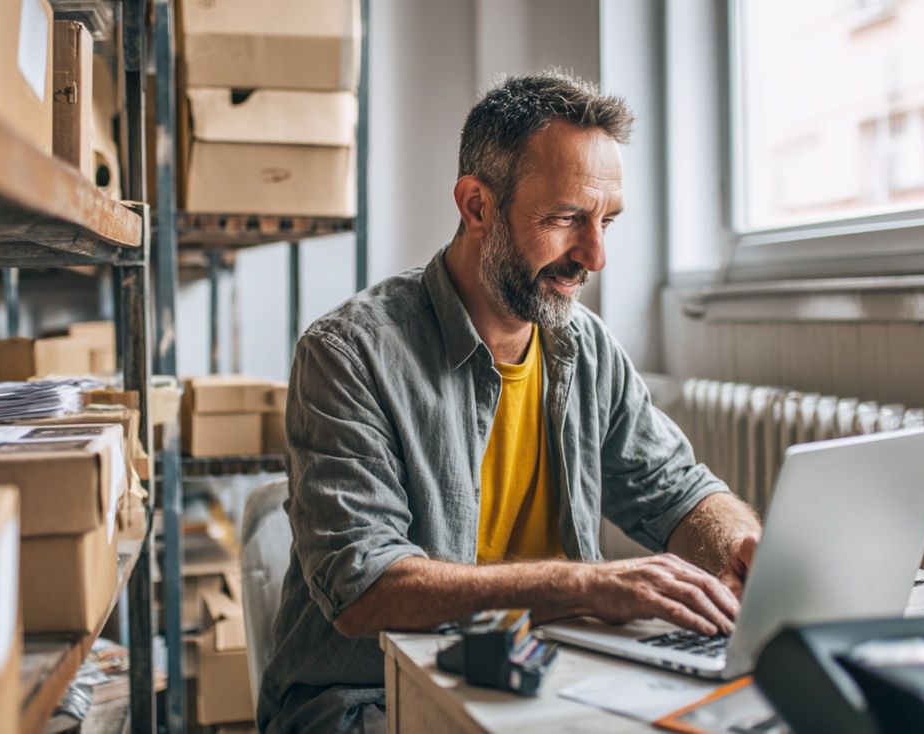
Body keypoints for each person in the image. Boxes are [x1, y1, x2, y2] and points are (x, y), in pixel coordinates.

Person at [257, 71, 762, 733]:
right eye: (565, 220)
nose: (596, 256)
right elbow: (366, 588)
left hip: (545, 680)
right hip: (369, 698)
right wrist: (583, 585)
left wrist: (743, 546)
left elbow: (678, 488)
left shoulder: (584, 346)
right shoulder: (348, 354)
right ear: (476, 206)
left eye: (606, 222)